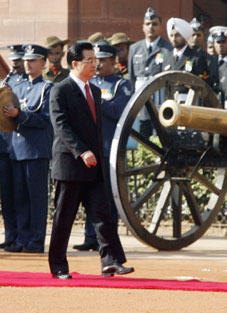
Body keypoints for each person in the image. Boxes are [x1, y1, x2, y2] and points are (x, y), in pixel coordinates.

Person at [48, 42, 134, 279]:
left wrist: (95, 153)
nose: (94, 64)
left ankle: (111, 262)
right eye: (89, 60)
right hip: (70, 164)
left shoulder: (94, 91)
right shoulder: (60, 90)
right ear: (75, 64)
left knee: (103, 215)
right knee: (64, 218)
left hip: (94, 165)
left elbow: (96, 129)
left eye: (95, 60)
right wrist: (81, 151)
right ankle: (58, 267)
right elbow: (61, 126)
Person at [73, 43, 132, 252]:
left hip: (109, 148)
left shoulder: (120, 85)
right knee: (89, 195)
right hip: (91, 149)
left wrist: (96, 100)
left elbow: (119, 110)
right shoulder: (89, 84)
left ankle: (107, 239)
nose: (98, 64)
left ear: (114, 62)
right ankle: (91, 236)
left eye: (103, 60)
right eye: (95, 60)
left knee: (107, 197)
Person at [3, 44, 53, 253]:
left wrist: (20, 116)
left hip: (36, 150)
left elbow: (45, 119)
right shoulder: (18, 86)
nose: (28, 63)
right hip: (17, 149)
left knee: (36, 199)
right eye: (27, 60)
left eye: (33, 60)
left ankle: (35, 240)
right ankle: (22, 238)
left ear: (42, 63)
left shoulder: (47, 88)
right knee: (20, 198)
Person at [127, 7, 172, 137]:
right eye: (147, 24)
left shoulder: (168, 48)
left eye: (154, 24)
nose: (151, 27)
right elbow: (131, 78)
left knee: (158, 133)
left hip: (159, 99)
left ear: (161, 27)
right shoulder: (134, 48)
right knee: (141, 133)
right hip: (140, 99)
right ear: (143, 27)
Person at [0, 45, 27, 249]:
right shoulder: (8, 83)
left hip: (13, 147)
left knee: (17, 195)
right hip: (3, 146)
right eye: (14, 59)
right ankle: (10, 235)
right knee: (6, 196)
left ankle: (19, 236)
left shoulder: (17, 85)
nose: (15, 63)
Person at [189, 18, 219, 88]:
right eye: (193, 35)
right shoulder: (182, 57)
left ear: (203, 37)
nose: (195, 38)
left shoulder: (210, 60)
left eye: (198, 35)